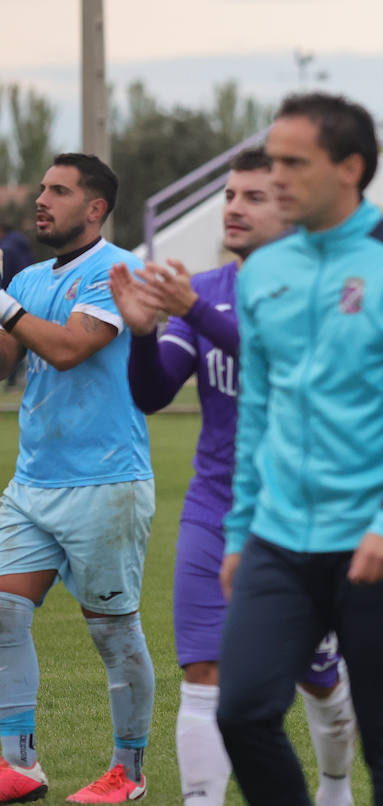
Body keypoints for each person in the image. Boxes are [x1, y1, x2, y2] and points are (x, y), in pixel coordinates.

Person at [215, 93, 383, 806]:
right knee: (243, 711)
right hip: (277, 537)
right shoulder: (263, 269)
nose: (277, 176)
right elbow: (256, 412)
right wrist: (239, 531)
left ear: (350, 167)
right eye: (273, 159)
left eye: (295, 163)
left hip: (382, 536)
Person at [110, 147, 358, 806]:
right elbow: (155, 394)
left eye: (254, 196)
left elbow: (288, 365)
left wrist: (190, 308)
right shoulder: (210, 291)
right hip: (214, 504)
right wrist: (140, 335)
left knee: (320, 681)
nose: (234, 208)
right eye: (228, 194)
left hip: (306, 513)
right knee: (204, 670)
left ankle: (335, 783)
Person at [0, 153, 156, 803]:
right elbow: (9, 359)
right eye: (41, 189)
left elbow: (67, 349)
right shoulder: (32, 277)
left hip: (105, 482)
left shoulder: (120, 272)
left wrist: (2, 305)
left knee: (111, 632)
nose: (42, 200)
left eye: (59, 191)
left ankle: (130, 772)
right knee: (2, 613)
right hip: (33, 481)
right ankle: (19, 764)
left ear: (95, 208)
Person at [0, 220, 32, 290]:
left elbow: (4, 279)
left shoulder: (5, 249)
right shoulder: (19, 242)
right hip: (27, 287)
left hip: (12, 292)